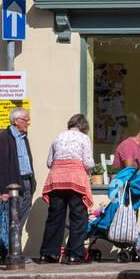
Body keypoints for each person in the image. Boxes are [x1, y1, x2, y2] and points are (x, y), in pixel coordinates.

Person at [40, 113, 95, 263]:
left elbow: (49, 162)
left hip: (56, 180)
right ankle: (74, 255)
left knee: (55, 217)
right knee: (78, 217)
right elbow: (89, 163)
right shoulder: (84, 138)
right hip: (76, 180)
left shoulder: (58, 137)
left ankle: (48, 254)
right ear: (84, 127)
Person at [0, 107, 36, 259]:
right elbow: (0, 165)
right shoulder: (4, 138)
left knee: (20, 219)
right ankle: (12, 253)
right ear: (16, 121)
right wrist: (3, 190)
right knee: (12, 219)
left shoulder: (25, 137)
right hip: (14, 185)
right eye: (26, 120)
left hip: (27, 182)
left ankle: (12, 250)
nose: (28, 123)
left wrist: (32, 182)